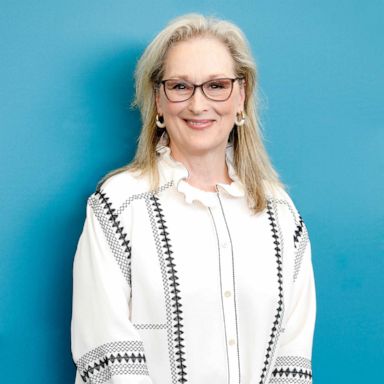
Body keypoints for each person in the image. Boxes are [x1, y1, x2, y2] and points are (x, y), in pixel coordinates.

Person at [71, 13, 316, 384]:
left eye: (216, 85)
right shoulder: (119, 206)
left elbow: (292, 359)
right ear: (158, 100)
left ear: (241, 96)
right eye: (180, 86)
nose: (198, 105)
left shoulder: (280, 214)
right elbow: (107, 354)